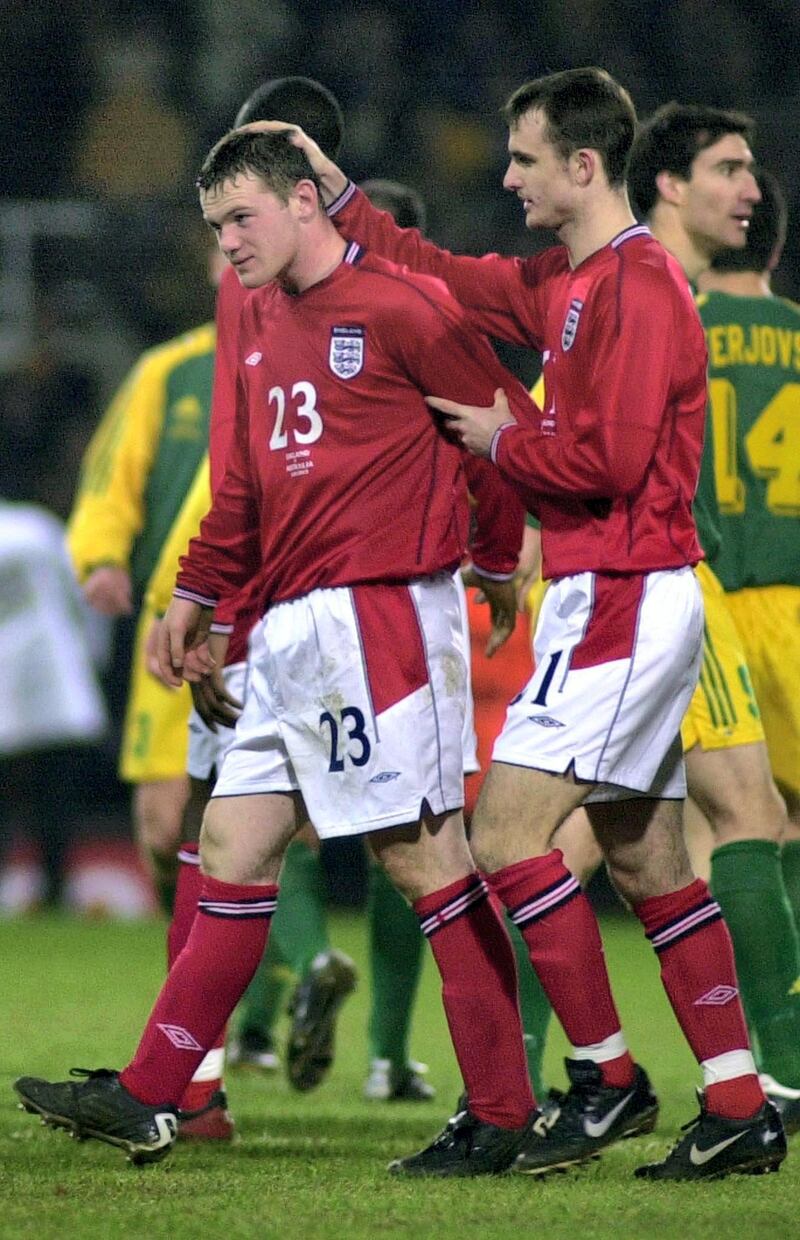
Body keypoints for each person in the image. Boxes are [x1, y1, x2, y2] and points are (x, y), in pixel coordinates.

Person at [272, 66, 787, 1181]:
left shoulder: (641, 289)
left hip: (619, 592)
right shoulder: (568, 277)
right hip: (611, 594)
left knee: (505, 836)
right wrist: (339, 194)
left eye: (522, 158)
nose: (505, 176)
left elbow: (605, 459)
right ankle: (739, 1104)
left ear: (582, 165)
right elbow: (449, 276)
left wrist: (496, 437)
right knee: (644, 856)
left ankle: (603, 1078)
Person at [14, 127, 541, 1176]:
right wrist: (198, 600)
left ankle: (500, 1112)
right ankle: (155, 1094)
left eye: (241, 219)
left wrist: (491, 565)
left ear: (306, 200)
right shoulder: (250, 321)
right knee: (229, 848)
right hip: (288, 633)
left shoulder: (401, 306)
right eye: (213, 227)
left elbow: (499, 436)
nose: (227, 243)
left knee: (421, 858)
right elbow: (245, 486)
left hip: (383, 619)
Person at [625, 110, 800, 1128]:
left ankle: (536, 1065)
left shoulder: (649, 310)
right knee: (756, 822)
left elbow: (550, 430)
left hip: (695, 596)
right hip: (784, 593)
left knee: (589, 841)